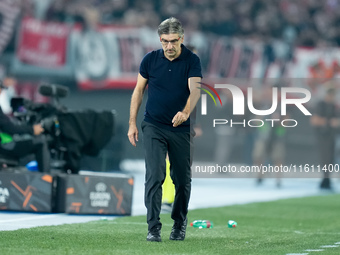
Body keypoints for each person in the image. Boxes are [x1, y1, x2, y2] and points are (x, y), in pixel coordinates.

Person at [128, 17, 202, 242]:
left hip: (181, 128)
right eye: (164, 41)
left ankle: (179, 225)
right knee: (155, 175)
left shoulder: (192, 60)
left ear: (181, 39)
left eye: (173, 41)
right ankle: (153, 228)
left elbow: (195, 91)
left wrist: (185, 112)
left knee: (182, 180)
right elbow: (139, 91)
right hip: (153, 125)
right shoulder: (150, 60)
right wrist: (132, 122)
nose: (169, 46)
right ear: (160, 40)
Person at [0, 81, 50, 172]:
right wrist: (32, 129)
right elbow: (9, 128)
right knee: (40, 142)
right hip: (3, 147)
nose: (1, 92)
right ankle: (46, 177)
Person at [310, 85, 340, 190]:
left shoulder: (334, 106)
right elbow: (314, 120)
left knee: (331, 158)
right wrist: (329, 122)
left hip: (333, 136)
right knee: (325, 158)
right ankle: (325, 178)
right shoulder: (321, 105)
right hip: (323, 136)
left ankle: (327, 178)